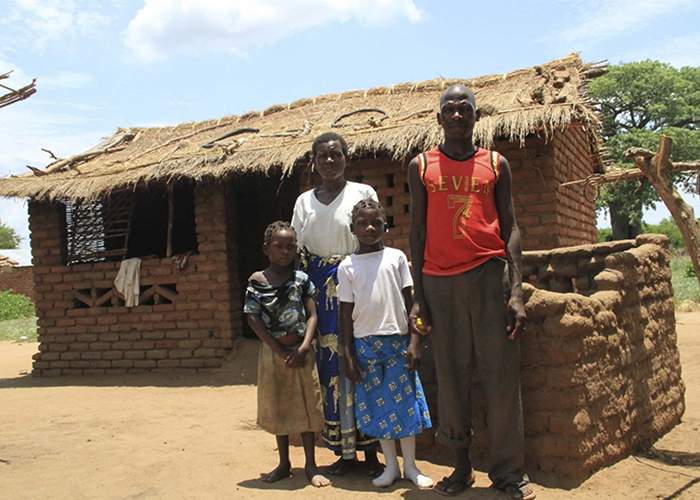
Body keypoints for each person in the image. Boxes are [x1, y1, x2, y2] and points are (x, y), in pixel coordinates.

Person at [407, 85, 534, 499]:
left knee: (500, 378)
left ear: (477, 116)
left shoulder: (496, 163)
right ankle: (460, 470)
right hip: (439, 283)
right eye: (450, 109)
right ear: (439, 117)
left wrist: (516, 290)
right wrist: (418, 296)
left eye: (465, 109)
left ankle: (508, 474)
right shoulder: (421, 165)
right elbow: (418, 232)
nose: (457, 114)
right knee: (451, 376)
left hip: (487, 276)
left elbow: (511, 226)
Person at [291, 132, 382, 475]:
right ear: (313, 162)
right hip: (319, 288)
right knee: (330, 367)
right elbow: (298, 251)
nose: (330, 161)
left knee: (362, 359)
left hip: (357, 280)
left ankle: (372, 452)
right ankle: (345, 453)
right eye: (323, 156)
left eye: (336, 155)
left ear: (347, 157)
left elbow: (373, 236)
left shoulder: (363, 193)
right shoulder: (303, 202)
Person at [337, 199, 433, 489]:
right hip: (365, 346)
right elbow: (344, 316)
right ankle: (390, 466)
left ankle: (412, 467)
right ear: (352, 229)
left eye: (375, 223)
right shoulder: (347, 266)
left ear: (385, 227)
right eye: (362, 224)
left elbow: (413, 303)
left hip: (397, 343)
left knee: (404, 406)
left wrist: (415, 342)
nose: (369, 228)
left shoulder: (396, 258)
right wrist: (348, 356)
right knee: (379, 409)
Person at [243, 221, 330, 488]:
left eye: (290, 246)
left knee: (306, 407)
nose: (285, 251)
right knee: (279, 406)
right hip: (273, 354)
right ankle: (283, 463)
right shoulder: (257, 281)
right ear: (266, 249)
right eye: (278, 246)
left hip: (302, 353)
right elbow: (253, 319)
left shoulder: (301, 280)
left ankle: (311, 464)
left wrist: (304, 347)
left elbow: (313, 314)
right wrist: (280, 351)